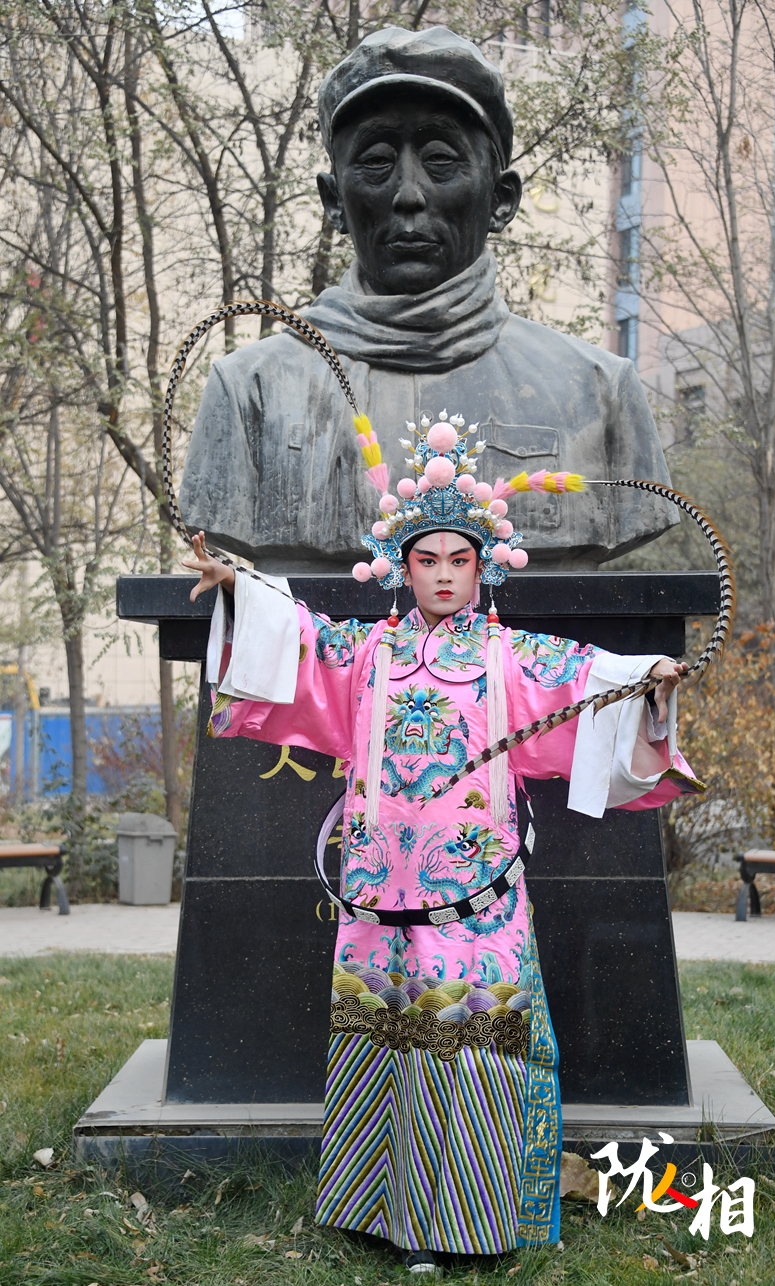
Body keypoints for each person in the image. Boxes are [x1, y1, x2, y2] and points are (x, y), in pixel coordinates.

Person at [181, 409, 696, 1270]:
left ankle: (468, 1220)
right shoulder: (367, 653)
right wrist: (237, 584)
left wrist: (650, 682)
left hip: (474, 893)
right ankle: (378, 1209)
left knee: (473, 1039)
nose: (446, 574)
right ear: (403, 566)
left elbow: (587, 680)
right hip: (378, 890)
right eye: (429, 560)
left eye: (461, 559)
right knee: (381, 1027)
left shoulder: (509, 658)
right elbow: (298, 639)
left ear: (483, 567)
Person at [179, 25, 677, 575]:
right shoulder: (251, 392)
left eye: (441, 159)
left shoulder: (598, 391)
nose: (408, 194)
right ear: (334, 200)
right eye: (375, 161)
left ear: (501, 198)